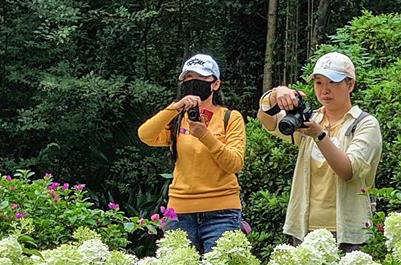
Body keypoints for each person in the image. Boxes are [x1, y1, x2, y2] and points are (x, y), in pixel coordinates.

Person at [258, 52, 382, 252]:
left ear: (350, 84)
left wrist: (319, 135)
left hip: (348, 231)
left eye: (333, 82)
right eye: (318, 83)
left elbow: (348, 171)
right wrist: (276, 94)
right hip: (305, 228)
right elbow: (268, 121)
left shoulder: (365, 124)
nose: (325, 90)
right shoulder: (310, 119)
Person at [137, 53, 246, 254]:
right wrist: (175, 108)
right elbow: (145, 135)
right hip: (180, 212)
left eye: (200, 77)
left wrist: (205, 135)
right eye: (188, 77)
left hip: (222, 213)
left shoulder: (230, 118)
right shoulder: (177, 119)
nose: (193, 82)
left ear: (215, 84)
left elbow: (235, 163)